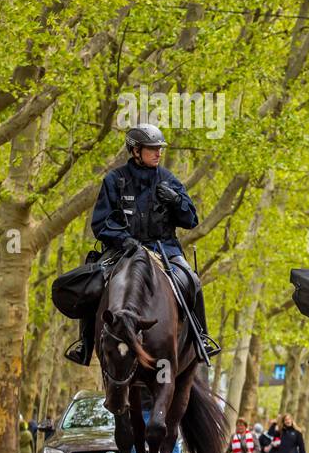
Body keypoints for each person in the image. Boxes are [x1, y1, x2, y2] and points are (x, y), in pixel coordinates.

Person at [65, 123, 220, 365]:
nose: (159, 153)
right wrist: (122, 239)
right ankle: (85, 344)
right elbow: (100, 222)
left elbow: (191, 220)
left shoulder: (170, 180)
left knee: (193, 280)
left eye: (160, 149)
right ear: (136, 151)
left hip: (164, 249)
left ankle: (202, 338)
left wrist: (177, 200)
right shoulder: (114, 180)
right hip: (123, 250)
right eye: (152, 149)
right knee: (92, 283)